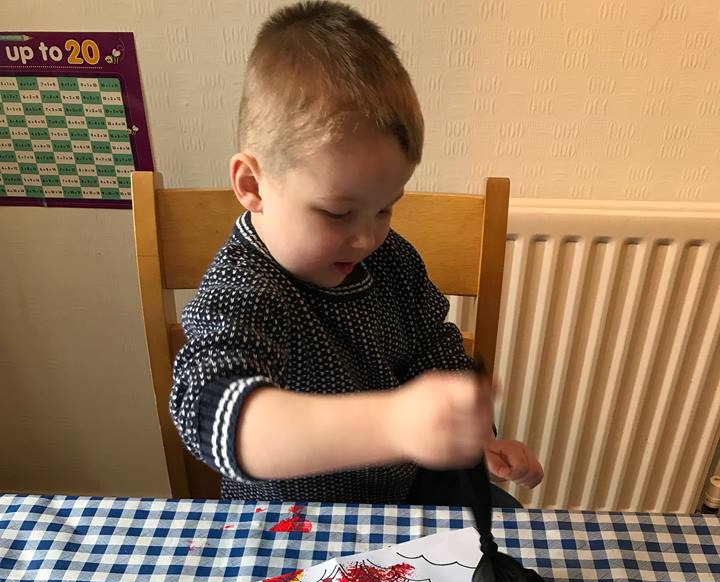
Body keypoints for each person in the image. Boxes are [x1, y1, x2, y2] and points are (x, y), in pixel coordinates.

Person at [170, 0, 542, 505]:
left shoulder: (392, 260)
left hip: (398, 503)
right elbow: (214, 413)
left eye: (385, 208)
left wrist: (472, 434)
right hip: (286, 520)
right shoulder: (243, 287)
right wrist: (391, 424)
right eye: (338, 213)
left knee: (510, 525)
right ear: (252, 185)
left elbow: (432, 350)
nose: (368, 239)